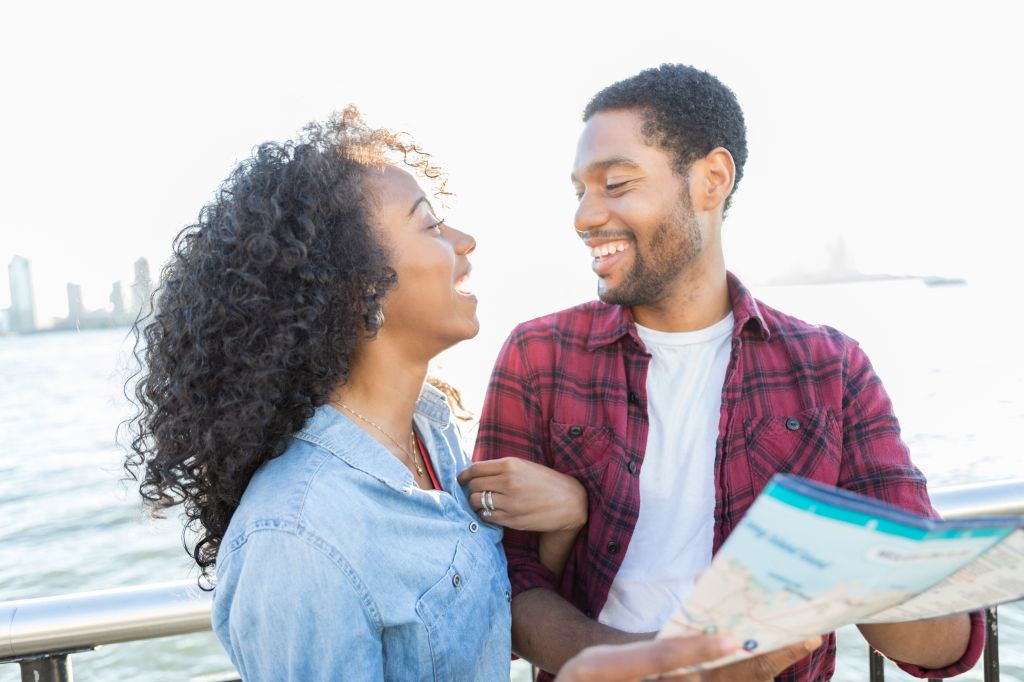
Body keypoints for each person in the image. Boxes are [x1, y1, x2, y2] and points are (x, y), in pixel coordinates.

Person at [124, 107, 815, 681]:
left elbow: (480, 629)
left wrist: (567, 520)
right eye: (430, 225)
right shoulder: (298, 537)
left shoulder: (430, 441)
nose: (466, 240)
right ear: (359, 288)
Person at [468, 64, 986, 681]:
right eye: (579, 190)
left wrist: (845, 574)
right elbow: (504, 584)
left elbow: (941, 643)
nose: (585, 216)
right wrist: (657, 667)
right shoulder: (539, 356)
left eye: (616, 184)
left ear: (711, 180)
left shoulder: (831, 369)